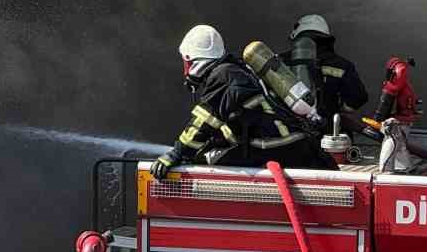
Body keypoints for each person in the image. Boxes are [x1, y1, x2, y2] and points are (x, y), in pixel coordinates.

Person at [152, 24, 323, 179]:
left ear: (191, 61)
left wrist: (176, 154)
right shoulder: (233, 70)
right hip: (289, 144)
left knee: (204, 157)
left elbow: (203, 122)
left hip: (274, 147)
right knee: (207, 151)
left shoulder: (223, 76)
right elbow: (233, 120)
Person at [282, 14, 368, 126]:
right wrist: (334, 106)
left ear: (296, 36)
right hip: (327, 135)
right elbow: (357, 98)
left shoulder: (279, 61)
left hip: (285, 132)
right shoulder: (342, 64)